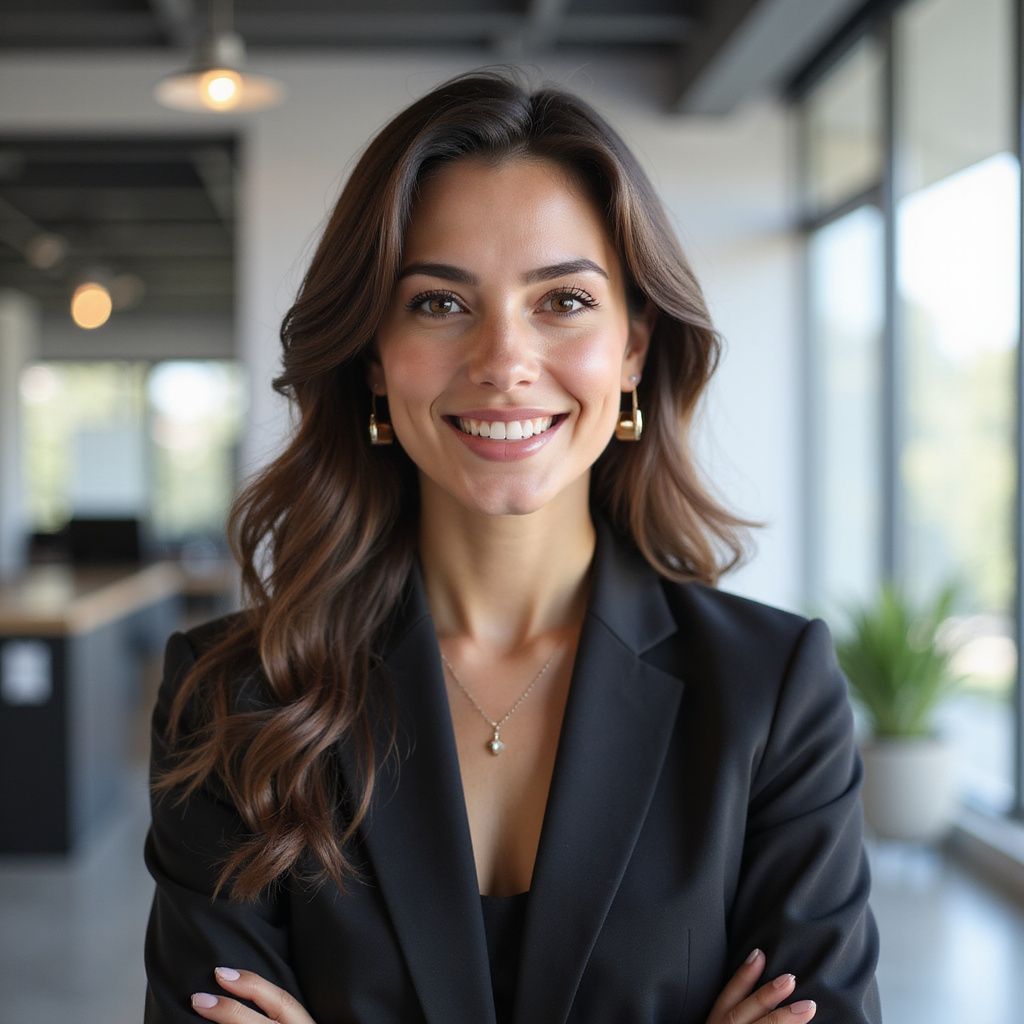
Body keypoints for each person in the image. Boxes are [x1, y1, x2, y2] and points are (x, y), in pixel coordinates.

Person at [142, 66, 883, 1024]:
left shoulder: (772, 690)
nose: (502, 362)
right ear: (373, 355)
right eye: (439, 303)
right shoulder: (234, 695)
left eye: (564, 301)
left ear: (633, 347)